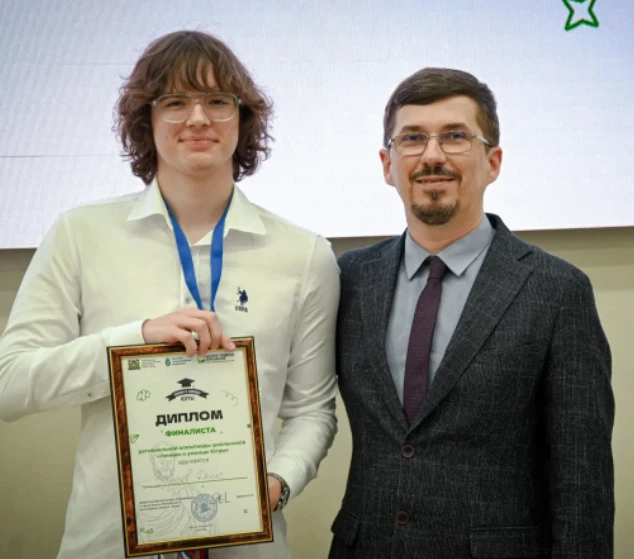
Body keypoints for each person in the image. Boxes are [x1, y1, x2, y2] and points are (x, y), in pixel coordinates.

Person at [0, 30, 339, 559]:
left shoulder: (305, 254)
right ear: (147, 120)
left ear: (242, 118)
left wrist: (279, 481)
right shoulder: (80, 235)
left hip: (249, 543)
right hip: (109, 545)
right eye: (175, 102)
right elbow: (9, 384)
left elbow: (313, 410)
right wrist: (132, 342)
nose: (198, 118)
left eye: (218, 101)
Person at [329, 67, 614, 559]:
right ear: (387, 164)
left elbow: (582, 481)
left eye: (455, 137)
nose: (432, 155)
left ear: (493, 161)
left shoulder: (557, 290)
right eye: (412, 138)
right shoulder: (348, 278)